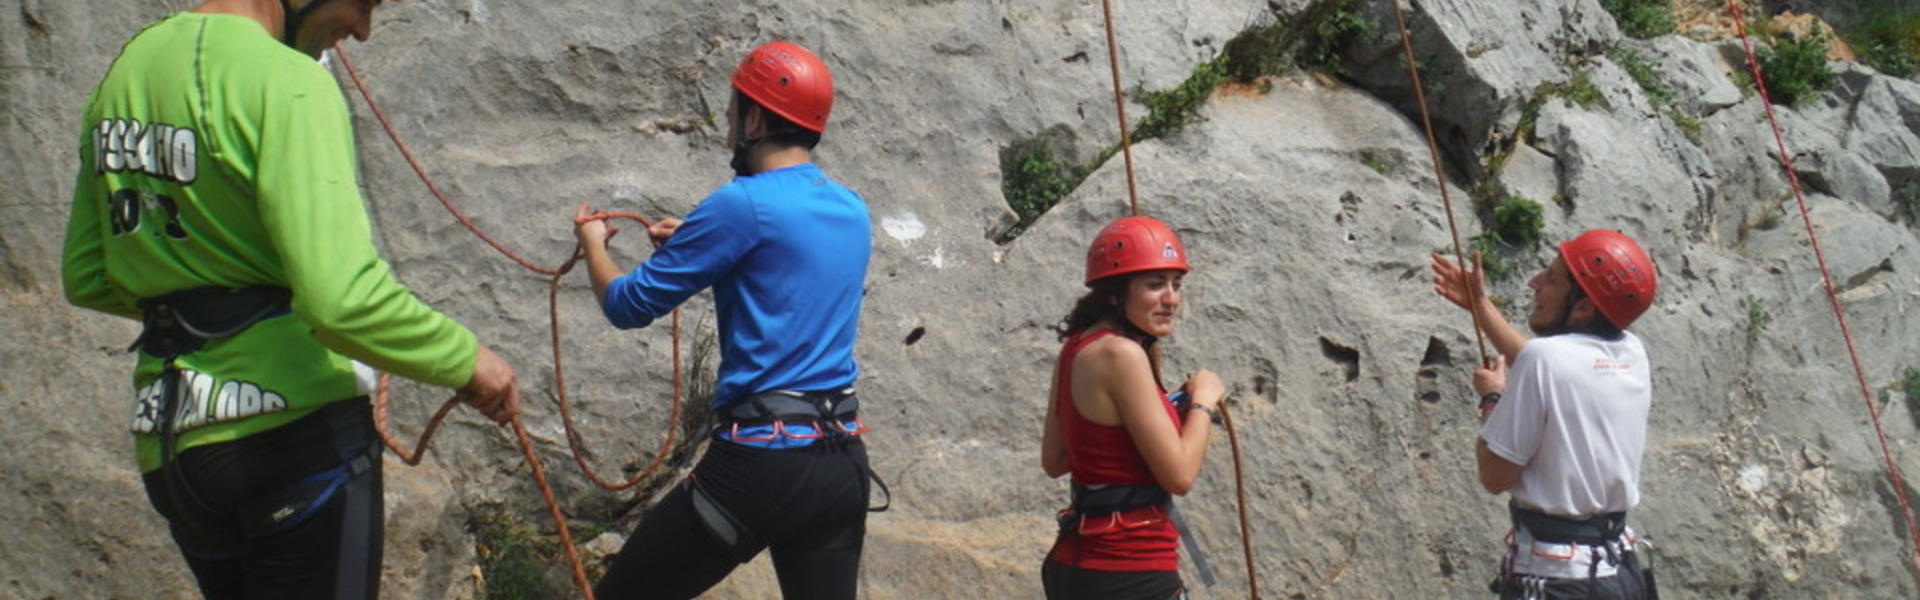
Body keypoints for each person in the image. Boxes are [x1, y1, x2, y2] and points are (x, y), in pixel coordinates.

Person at [61, 0, 521, 598]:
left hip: (174, 446)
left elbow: (89, 274)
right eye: (363, 2)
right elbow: (342, 301)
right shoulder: (291, 83)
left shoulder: (123, 78)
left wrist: (203, 302)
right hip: (293, 438)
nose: (363, 28)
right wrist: (469, 361)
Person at [572, 40, 878, 600]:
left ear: (755, 117)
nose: (729, 125)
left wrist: (593, 246)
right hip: (841, 462)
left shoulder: (741, 204)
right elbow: (781, 272)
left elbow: (627, 305)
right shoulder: (853, 208)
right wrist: (696, 244)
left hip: (763, 464)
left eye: (734, 111)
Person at [1430, 230, 1661, 599]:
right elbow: (1551, 370)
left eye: (1550, 279)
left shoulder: (1546, 360)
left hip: (1558, 581)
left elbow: (1495, 476)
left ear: (1583, 307)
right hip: (1618, 571)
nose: (1534, 282)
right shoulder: (1632, 352)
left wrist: (1493, 398)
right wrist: (1481, 307)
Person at [1038, 216, 1224, 600]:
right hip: (1130, 570)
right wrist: (1203, 402)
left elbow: (1055, 459)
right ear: (1114, 293)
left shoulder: (1075, 348)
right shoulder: (1122, 354)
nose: (1171, 298)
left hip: (1075, 569)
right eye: (1155, 284)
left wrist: (1140, 418)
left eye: (1176, 284)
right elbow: (1180, 476)